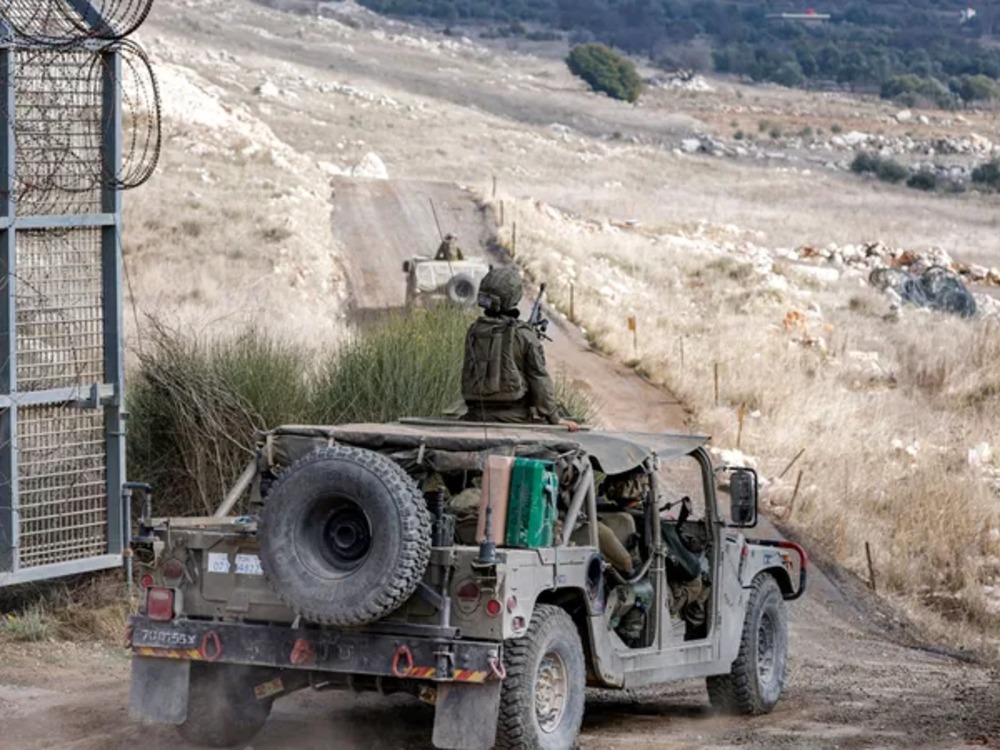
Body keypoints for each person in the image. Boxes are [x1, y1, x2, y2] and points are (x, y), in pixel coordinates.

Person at [461, 266, 578, 431]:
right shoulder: (523, 334)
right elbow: (538, 377)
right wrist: (554, 417)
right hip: (514, 419)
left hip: (475, 416)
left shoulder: (474, 331)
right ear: (514, 297)